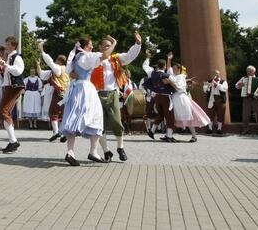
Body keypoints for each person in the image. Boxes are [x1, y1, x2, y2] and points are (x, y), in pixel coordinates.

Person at [91, 32, 142, 162]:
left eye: (110, 45)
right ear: (100, 47)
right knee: (99, 125)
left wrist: (137, 44)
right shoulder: (95, 57)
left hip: (113, 93)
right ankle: (106, 151)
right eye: (106, 45)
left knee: (117, 122)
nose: (109, 47)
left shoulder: (116, 58)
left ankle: (120, 147)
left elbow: (130, 56)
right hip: (96, 94)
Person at [60, 37, 106, 166]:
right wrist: (113, 43)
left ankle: (71, 152)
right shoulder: (85, 57)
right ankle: (93, 151)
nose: (92, 47)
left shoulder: (75, 57)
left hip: (75, 88)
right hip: (85, 89)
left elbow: (70, 72)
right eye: (90, 45)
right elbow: (104, 56)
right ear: (85, 46)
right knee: (96, 116)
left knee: (73, 117)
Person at [0, 36, 25, 154]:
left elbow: (19, 71)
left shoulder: (17, 57)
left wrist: (6, 65)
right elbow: (8, 74)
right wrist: (3, 66)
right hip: (9, 87)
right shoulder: (8, 57)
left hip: (14, 87)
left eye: (8, 44)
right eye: (6, 44)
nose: (6, 46)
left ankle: (13, 141)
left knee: (4, 112)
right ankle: (12, 141)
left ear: (13, 45)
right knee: (3, 112)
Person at [170, 64, 211, 142]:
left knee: (189, 117)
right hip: (175, 98)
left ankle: (194, 136)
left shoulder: (181, 76)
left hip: (181, 98)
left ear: (179, 69)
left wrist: (171, 83)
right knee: (172, 117)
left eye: (174, 68)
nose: (173, 70)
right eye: (173, 68)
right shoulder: (174, 77)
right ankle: (169, 135)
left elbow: (180, 88)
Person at [143, 52, 177, 142]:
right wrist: (169, 60)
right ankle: (169, 136)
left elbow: (145, 67)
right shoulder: (166, 75)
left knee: (161, 115)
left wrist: (147, 58)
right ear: (164, 66)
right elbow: (174, 79)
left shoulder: (152, 73)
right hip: (166, 97)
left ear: (157, 66)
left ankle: (152, 131)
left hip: (157, 97)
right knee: (169, 116)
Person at [39, 42, 69, 142]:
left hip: (59, 93)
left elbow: (50, 63)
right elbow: (42, 74)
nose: (55, 63)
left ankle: (56, 132)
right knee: (62, 114)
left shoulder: (58, 69)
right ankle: (62, 134)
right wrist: (38, 66)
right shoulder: (68, 69)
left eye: (56, 60)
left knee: (53, 113)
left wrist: (42, 51)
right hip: (67, 95)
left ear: (59, 61)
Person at [236, 66, 258, 135]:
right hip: (246, 98)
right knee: (245, 115)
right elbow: (236, 86)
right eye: (247, 71)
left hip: (257, 98)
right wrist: (239, 85)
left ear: (254, 72)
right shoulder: (244, 79)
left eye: (250, 71)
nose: (248, 72)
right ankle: (245, 130)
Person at [202, 70, 228, 135]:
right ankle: (210, 129)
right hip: (212, 99)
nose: (215, 75)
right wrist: (209, 85)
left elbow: (224, 89)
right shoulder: (209, 81)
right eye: (214, 74)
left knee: (220, 114)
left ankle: (219, 129)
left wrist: (217, 84)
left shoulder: (223, 81)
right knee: (210, 113)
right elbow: (205, 90)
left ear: (219, 74)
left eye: (217, 74)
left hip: (220, 99)